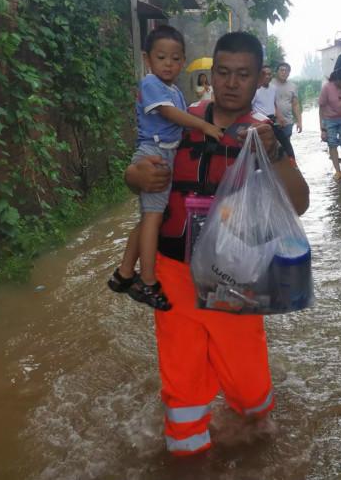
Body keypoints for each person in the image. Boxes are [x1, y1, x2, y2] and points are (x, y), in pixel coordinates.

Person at [124, 31, 309, 456]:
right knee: (182, 380)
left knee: (248, 389)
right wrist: (135, 177)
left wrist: (276, 155)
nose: (230, 83)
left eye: (242, 74)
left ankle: (257, 435)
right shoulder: (179, 118)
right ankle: (187, 454)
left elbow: (298, 204)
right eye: (222, 72)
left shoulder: (265, 135)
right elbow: (136, 172)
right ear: (211, 74)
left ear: (259, 78)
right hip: (173, 271)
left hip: (236, 273)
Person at [108, 26, 223, 311]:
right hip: (155, 155)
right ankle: (147, 282)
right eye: (161, 57)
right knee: (153, 220)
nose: (168, 64)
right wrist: (206, 126)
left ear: (183, 62)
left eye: (175, 59)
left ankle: (123, 274)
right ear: (148, 59)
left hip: (166, 155)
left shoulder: (173, 90)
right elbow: (172, 116)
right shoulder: (150, 84)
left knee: (147, 220)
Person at [272, 62, 302, 161]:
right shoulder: (270, 84)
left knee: (286, 145)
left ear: (289, 73)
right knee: (272, 146)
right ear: (276, 72)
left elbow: (295, 104)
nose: (284, 72)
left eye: (286, 71)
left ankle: (287, 167)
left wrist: (299, 121)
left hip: (288, 121)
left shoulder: (293, 86)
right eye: (282, 70)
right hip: (272, 121)